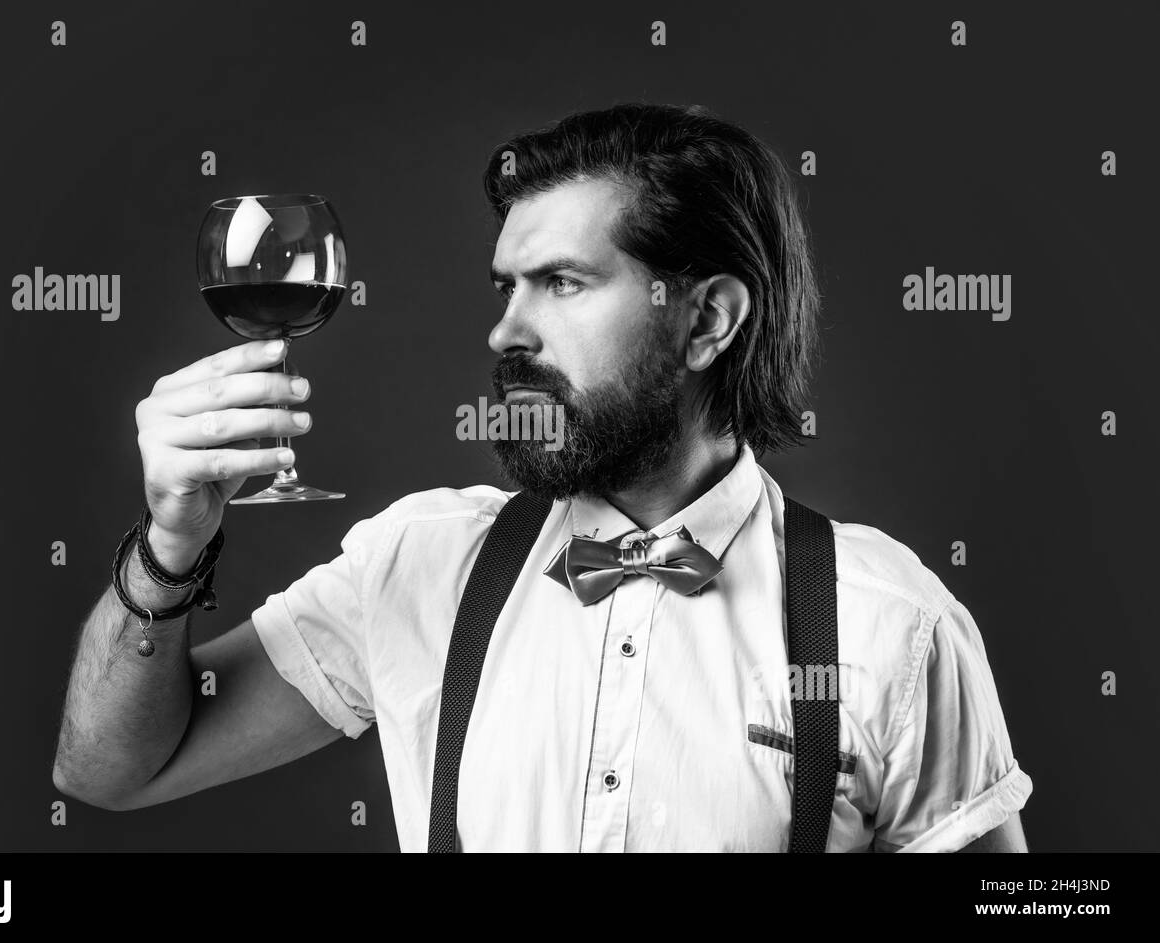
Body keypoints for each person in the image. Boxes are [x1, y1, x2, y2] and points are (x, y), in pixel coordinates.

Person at [52, 102, 1032, 852]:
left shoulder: (893, 625)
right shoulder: (421, 566)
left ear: (705, 320)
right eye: (504, 286)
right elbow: (113, 770)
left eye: (561, 283)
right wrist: (170, 546)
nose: (505, 331)